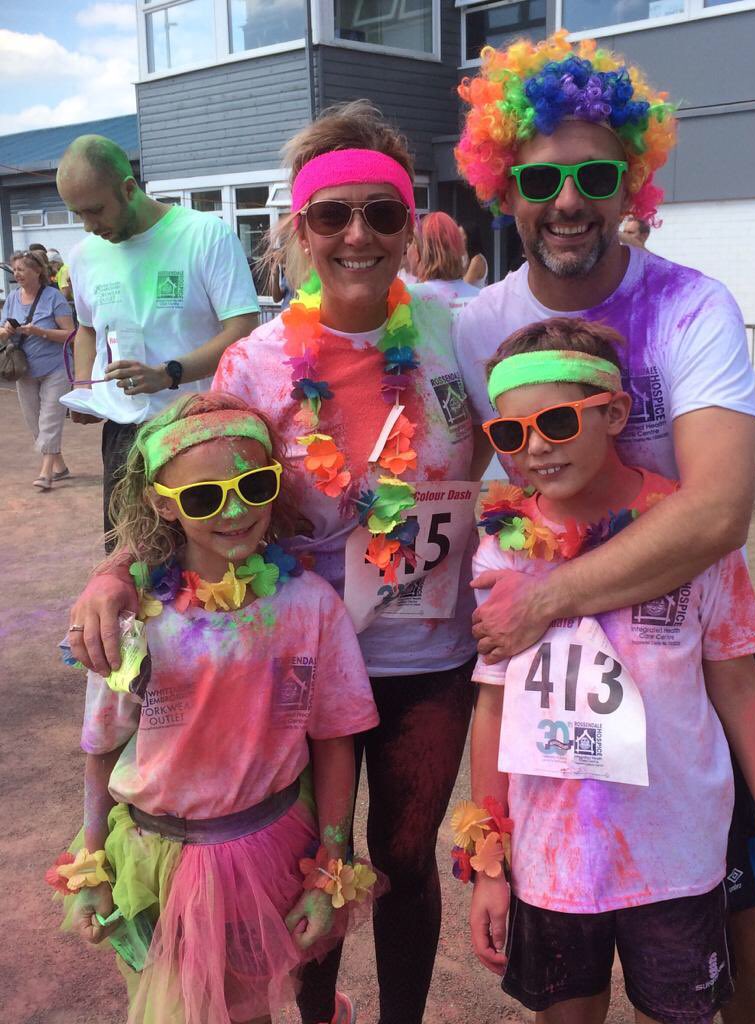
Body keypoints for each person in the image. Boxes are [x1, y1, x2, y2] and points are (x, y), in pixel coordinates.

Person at [65, 100, 480, 1024]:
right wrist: (113, 572)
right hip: (283, 655)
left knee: (405, 865)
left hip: (428, 658)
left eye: (383, 213)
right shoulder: (255, 361)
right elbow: (195, 481)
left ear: (410, 223)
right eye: (333, 216)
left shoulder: (466, 332)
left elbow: (541, 447)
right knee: (301, 868)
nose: (359, 235)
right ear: (300, 230)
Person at [453, 33, 755, 1021]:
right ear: (502, 187)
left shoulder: (691, 307)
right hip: (558, 741)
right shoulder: (479, 326)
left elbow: (718, 508)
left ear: (630, 183)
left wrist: (541, 597)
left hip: (682, 654)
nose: (566, 200)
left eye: (594, 174)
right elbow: (446, 467)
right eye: (540, 178)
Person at [463, 319, 755, 1023]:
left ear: (616, 413)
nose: (534, 448)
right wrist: (488, 858)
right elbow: (494, 708)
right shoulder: (502, 549)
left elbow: (741, 687)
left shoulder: (690, 539)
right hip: (553, 864)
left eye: (558, 421)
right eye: (511, 434)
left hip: (677, 857)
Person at [50, 391, 381, 1024]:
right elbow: (103, 749)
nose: (234, 512)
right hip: (154, 862)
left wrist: (330, 866)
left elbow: (336, 740)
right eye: (203, 498)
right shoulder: (132, 619)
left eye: (253, 487)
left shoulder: (309, 606)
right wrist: (91, 864)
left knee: (249, 1007)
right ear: (161, 505)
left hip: (267, 852)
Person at [55, 134, 260, 544]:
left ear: (129, 189)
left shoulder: (204, 235)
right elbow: (88, 329)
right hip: (123, 436)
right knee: (128, 558)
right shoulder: (83, 255)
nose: (90, 226)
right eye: (78, 214)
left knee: (203, 559)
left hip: (196, 428)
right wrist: (84, 388)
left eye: (95, 210)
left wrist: (170, 373)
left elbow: (243, 330)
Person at [0, 249, 74, 489]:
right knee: (34, 421)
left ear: (38, 271)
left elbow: (71, 335)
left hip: (55, 366)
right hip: (23, 369)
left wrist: (39, 331)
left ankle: (46, 473)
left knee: (50, 418)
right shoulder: (12, 298)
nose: (17, 274)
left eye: (22, 269)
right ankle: (59, 466)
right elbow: (1, 331)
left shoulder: (54, 298)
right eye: (15, 270)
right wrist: (7, 332)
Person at [410, 211, 480, 315]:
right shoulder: (481, 298)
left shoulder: (410, 299)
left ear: (417, 250)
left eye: (409, 243)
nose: (407, 250)